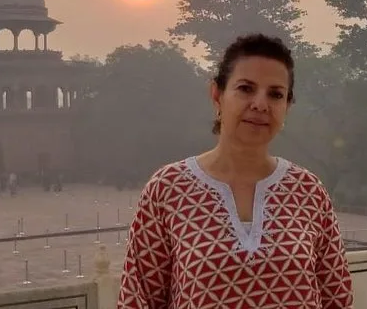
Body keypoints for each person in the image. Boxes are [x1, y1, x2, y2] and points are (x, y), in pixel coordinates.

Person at [118, 34, 354, 309]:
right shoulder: (168, 188)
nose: (260, 104)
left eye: (275, 94)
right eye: (245, 88)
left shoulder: (308, 191)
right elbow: (139, 298)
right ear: (217, 95)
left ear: (287, 107)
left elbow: (337, 298)